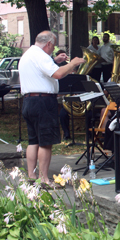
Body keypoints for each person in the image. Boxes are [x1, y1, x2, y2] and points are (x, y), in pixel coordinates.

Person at [19, 30, 85, 187]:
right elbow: (57, 74)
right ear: (48, 44)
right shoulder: (41, 56)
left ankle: (31, 175)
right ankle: (44, 179)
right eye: (53, 46)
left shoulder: (28, 55)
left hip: (29, 102)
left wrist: (55, 60)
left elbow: (41, 70)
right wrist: (72, 63)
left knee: (33, 140)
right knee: (45, 142)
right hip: (42, 102)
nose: (53, 49)